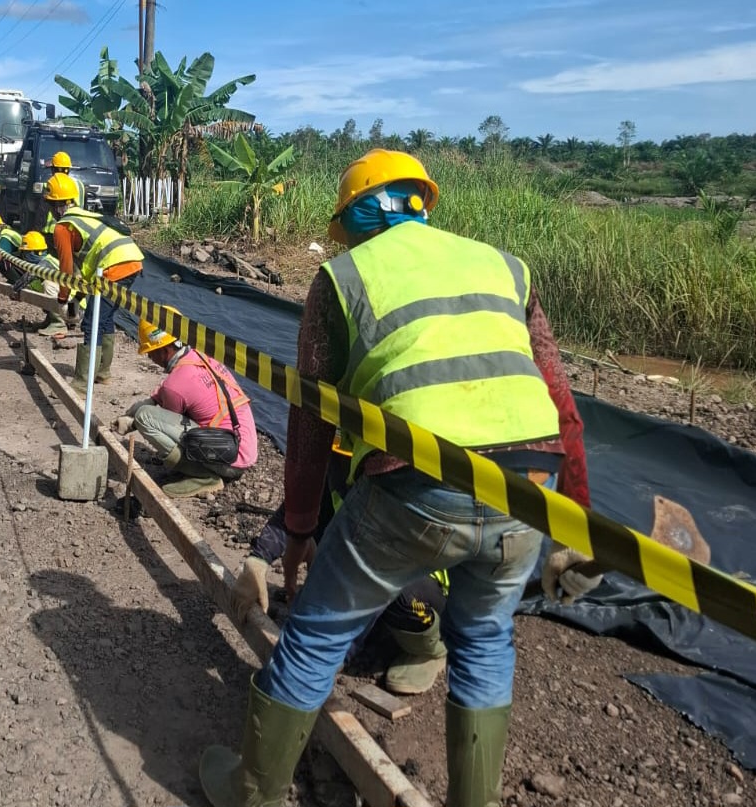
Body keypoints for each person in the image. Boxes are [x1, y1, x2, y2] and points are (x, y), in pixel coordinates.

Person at [199, 149, 595, 807]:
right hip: (530, 486)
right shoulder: (504, 265)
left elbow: (309, 418)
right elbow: (562, 403)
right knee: (485, 642)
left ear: (355, 219)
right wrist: (574, 525)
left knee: (316, 635)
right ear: (420, 203)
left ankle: (252, 793)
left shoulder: (342, 277)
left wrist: (297, 530)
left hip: (419, 484)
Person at [231, 440, 450, 695]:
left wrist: (334, 653)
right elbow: (301, 507)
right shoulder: (345, 463)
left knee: (396, 598)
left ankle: (434, 648)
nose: (340, 466)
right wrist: (259, 559)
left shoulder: (398, 488)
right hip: (367, 566)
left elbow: (378, 573)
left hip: (422, 586)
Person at [119, 311, 257, 498]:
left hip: (227, 461)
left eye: (150, 353)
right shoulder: (202, 355)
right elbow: (178, 387)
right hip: (242, 448)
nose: (150, 358)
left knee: (145, 417)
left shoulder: (175, 384)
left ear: (164, 350)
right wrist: (153, 399)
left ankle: (204, 476)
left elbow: (168, 417)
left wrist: (135, 419)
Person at [45, 172, 143, 385]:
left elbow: (66, 270)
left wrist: (63, 299)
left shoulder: (63, 227)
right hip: (132, 262)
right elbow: (87, 273)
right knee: (104, 318)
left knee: (92, 323)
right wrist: (77, 298)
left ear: (54, 205)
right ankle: (102, 373)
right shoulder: (85, 216)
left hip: (115, 266)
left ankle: (82, 384)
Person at [14, 230, 68, 338]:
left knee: (48, 285)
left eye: (26, 253)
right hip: (69, 305)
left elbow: (28, 276)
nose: (24, 257)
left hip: (74, 309)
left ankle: (58, 324)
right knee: (37, 286)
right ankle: (50, 320)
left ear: (35, 253)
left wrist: (15, 290)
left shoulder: (46, 263)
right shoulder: (47, 261)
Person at [42, 151, 86, 237]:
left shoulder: (51, 185)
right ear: (68, 169)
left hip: (51, 231)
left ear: (53, 169)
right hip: (75, 229)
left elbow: (42, 212)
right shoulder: (80, 185)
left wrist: (37, 231)